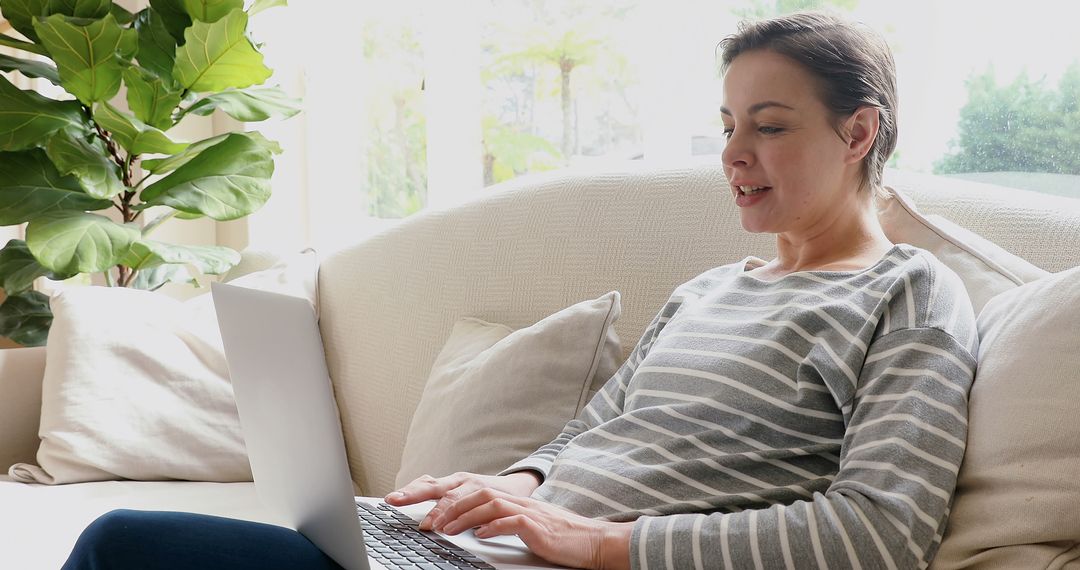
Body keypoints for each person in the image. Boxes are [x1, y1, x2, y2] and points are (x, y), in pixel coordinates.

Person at [63, 11, 977, 570]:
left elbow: (878, 535)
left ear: (859, 133)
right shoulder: (708, 291)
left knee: (125, 546)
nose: (734, 154)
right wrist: (505, 487)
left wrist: (589, 542)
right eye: (729, 124)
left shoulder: (910, 294)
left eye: (769, 127)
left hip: (593, 562)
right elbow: (591, 433)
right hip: (497, 553)